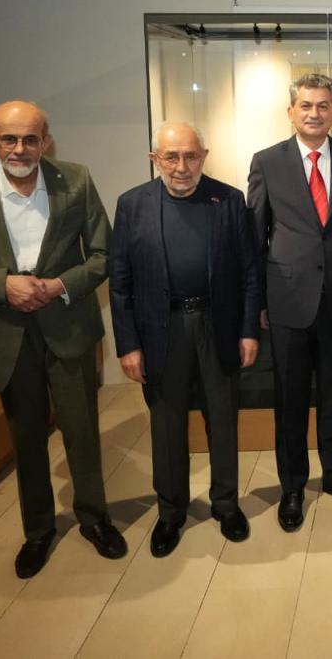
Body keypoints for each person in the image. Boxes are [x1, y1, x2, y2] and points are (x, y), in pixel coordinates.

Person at [0, 101, 126, 578]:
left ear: (46, 141)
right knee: (27, 436)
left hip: (68, 327)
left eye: (30, 139)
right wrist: (3, 285)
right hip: (6, 333)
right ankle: (38, 530)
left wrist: (59, 285)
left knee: (82, 430)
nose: (20, 149)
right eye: (9, 139)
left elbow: (105, 254)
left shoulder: (76, 181)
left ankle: (94, 519)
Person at [109, 122, 261, 557]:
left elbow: (250, 274)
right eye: (171, 157)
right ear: (154, 159)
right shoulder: (132, 205)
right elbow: (120, 283)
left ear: (204, 156)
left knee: (223, 419)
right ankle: (171, 512)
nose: (181, 166)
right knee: (167, 424)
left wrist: (249, 330)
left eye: (191, 156)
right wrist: (128, 345)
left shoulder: (229, 201)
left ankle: (226, 504)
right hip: (162, 329)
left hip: (218, 326)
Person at [248, 74, 332, 533]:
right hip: (287, 300)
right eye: (306, 105)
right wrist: (257, 301)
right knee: (291, 398)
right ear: (291, 111)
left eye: (323, 105)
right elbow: (256, 235)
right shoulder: (267, 162)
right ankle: (293, 486)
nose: (314, 113)